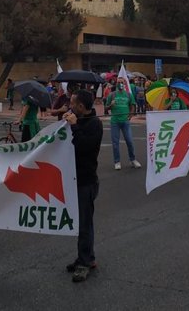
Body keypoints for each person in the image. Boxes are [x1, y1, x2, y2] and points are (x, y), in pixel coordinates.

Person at [63, 89, 103, 283]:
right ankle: (86, 257)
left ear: (81, 106)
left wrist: (75, 126)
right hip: (74, 179)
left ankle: (84, 263)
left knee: (85, 224)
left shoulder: (95, 124)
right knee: (81, 222)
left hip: (86, 181)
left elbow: (84, 147)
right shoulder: (79, 121)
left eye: (73, 103)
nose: (70, 106)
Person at [105, 77, 140, 170]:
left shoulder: (128, 95)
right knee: (115, 143)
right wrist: (110, 105)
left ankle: (133, 160)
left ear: (124, 84)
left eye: (122, 82)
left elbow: (132, 105)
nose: (120, 84)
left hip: (125, 122)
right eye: (119, 82)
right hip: (115, 122)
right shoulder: (111, 95)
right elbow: (105, 109)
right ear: (116, 84)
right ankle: (117, 161)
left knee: (130, 141)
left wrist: (131, 114)